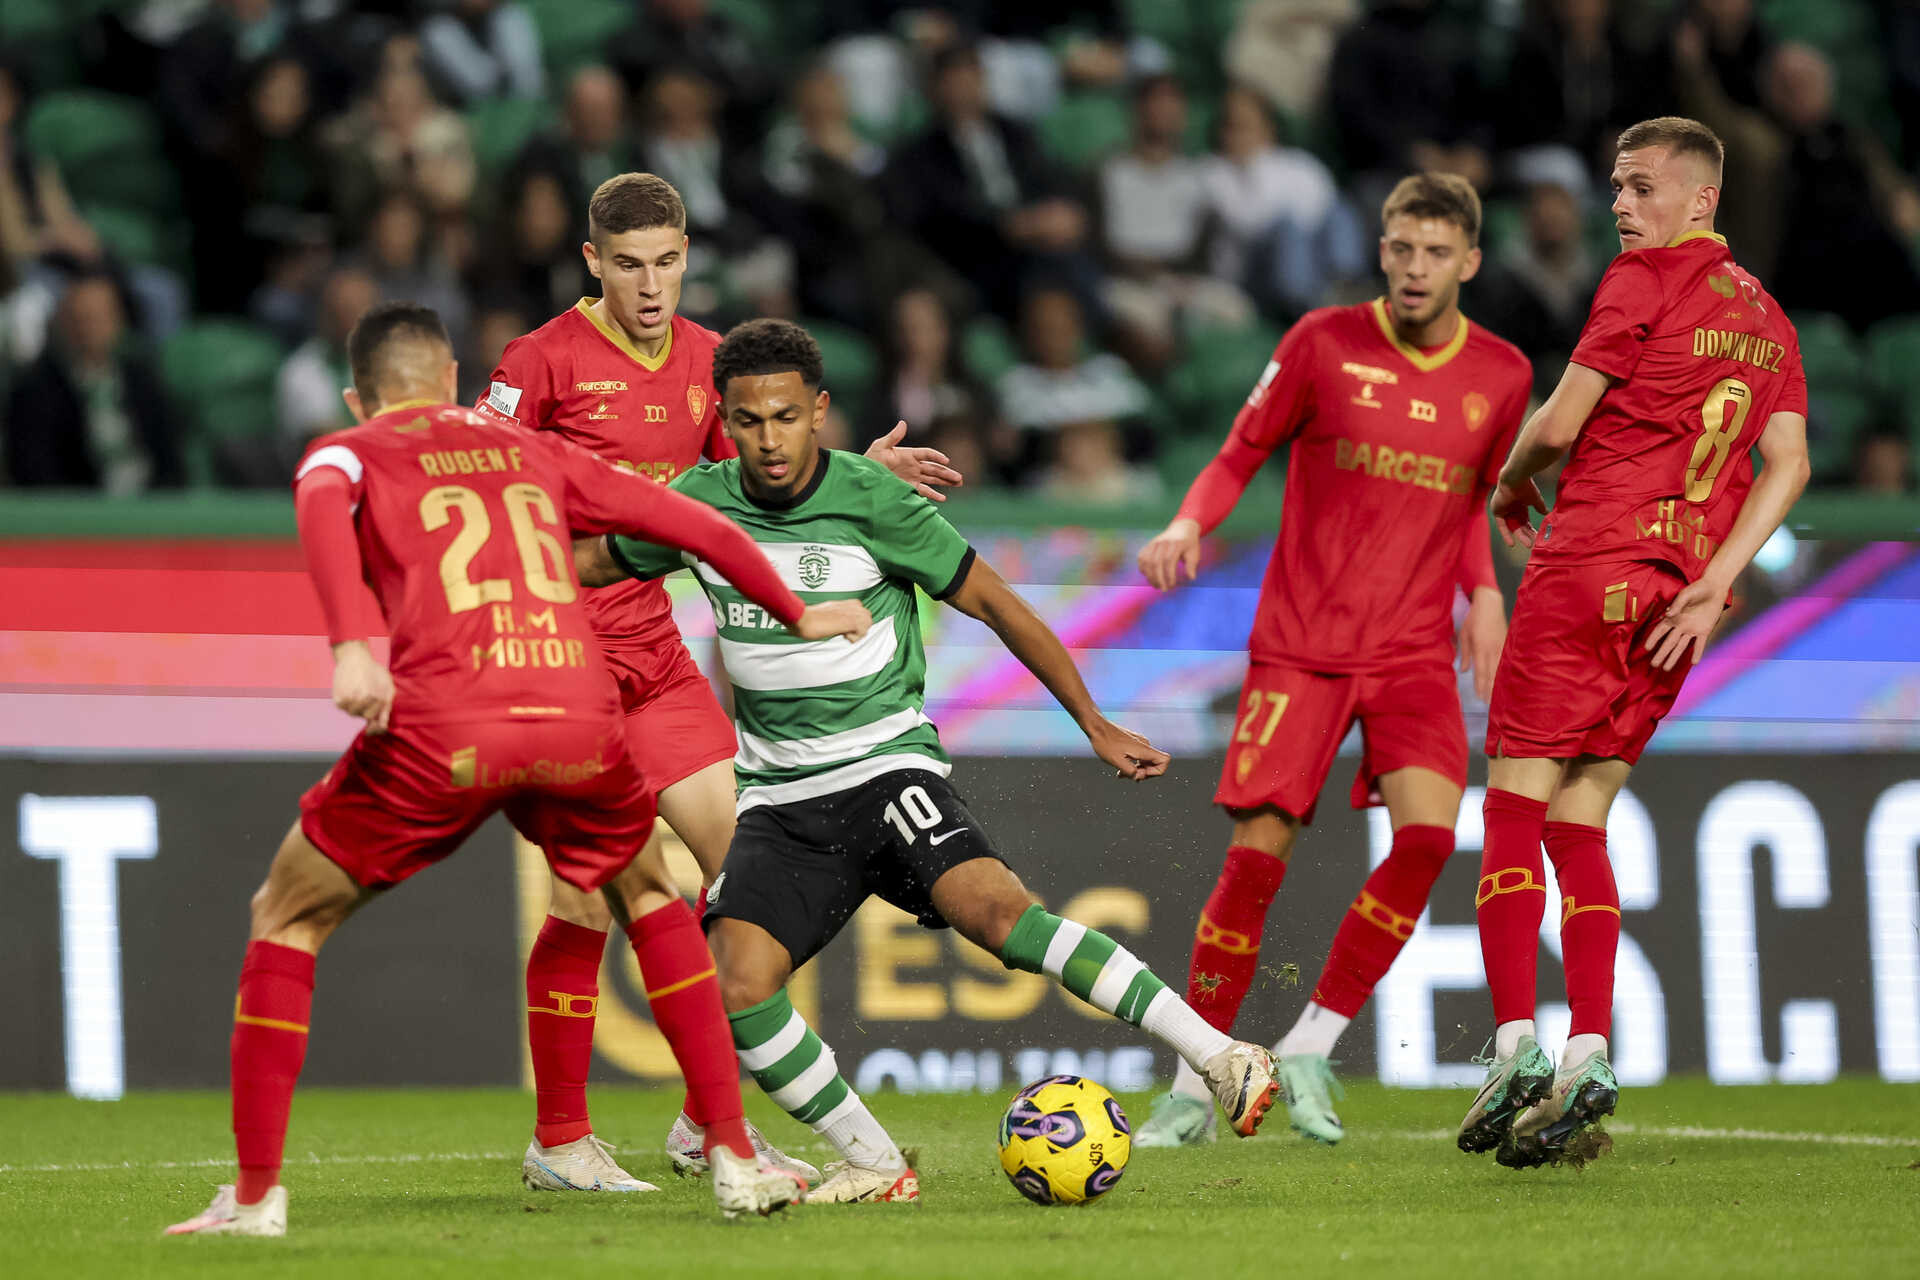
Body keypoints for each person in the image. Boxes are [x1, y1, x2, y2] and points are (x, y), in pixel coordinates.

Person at [164, 301, 872, 1236]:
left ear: (358, 397)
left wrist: (352, 646)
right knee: (653, 895)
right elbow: (685, 519)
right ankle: (734, 1156)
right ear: (452, 381)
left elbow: (320, 501)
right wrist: (793, 611)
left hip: (449, 718)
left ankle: (254, 1199)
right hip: (577, 711)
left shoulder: (351, 448)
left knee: (286, 917)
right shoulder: (534, 452)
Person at [576, 317, 1283, 1204]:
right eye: (749, 421)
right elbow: (594, 560)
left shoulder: (874, 499)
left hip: (883, 770)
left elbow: (997, 603)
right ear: (726, 419)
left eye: (787, 417)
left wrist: (1093, 721)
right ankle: (874, 1162)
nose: (768, 440)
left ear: (819, 412)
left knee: (998, 917)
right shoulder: (700, 506)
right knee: (740, 985)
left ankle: (1219, 1054)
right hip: (779, 802)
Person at [476, 171, 962, 1191]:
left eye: (666, 262)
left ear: (687, 254)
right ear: (593, 263)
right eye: (628, 265)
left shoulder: (708, 362)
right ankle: (560, 1139)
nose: (650, 285)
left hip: (652, 657)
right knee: (583, 895)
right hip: (563, 661)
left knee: (756, 885)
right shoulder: (540, 361)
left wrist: (854, 473)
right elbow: (482, 489)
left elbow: (756, 495)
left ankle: (705, 1122)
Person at [1132, 173, 1531, 1147]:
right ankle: (1198, 1072)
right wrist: (1190, 518)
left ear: (1470, 262)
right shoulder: (1321, 342)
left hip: (1408, 654)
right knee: (1257, 859)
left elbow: (1474, 498)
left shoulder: (1505, 374)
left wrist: (1484, 592)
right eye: (1400, 247)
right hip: (1302, 647)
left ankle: (1312, 1038)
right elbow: (1240, 449)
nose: (1414, 268)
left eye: (1436, 252)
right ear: (1382, 248)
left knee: (1432, 838)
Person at [1462, 117, 1808, 1168]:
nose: (1621, 204)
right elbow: (1786, 463)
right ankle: (1591, 1054)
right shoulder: (1770, 319)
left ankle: (1518, 1042)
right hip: (1674, 598)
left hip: (1588, 564)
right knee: (1585, 814)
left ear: (1701, 200)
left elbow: (1562, 423)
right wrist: (1713, 581)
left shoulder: (1641, 282)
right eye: (1616, 186)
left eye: (1642, 186)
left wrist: (1511, 480)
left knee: (1517, 802)